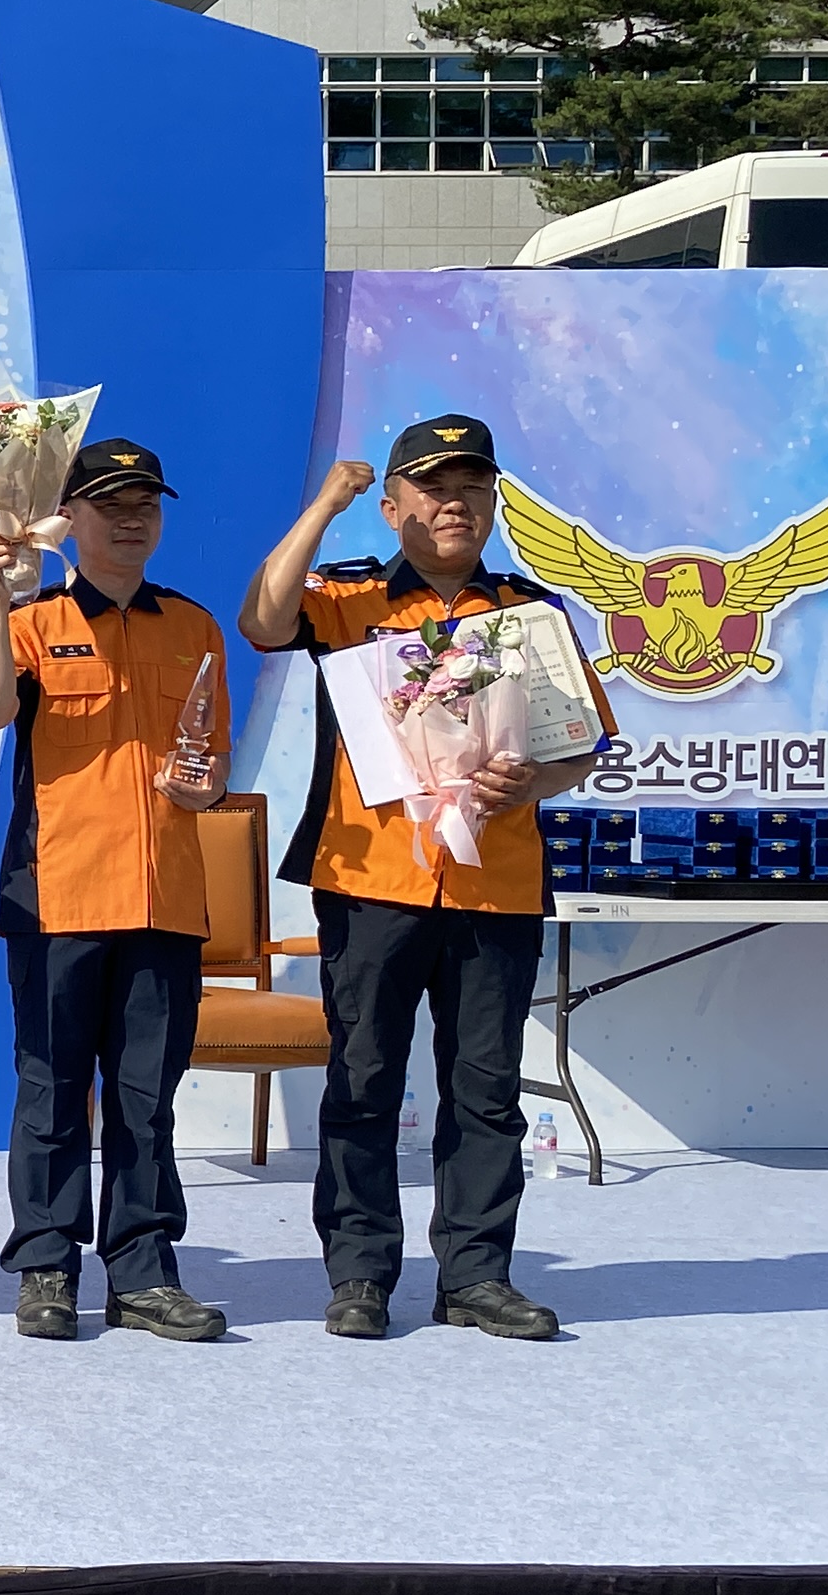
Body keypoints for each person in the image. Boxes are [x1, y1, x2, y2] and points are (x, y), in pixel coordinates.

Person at [241, 414, 612, 1340]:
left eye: (473, 489)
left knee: (486, 1088)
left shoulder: (532, 614)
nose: (455, 505)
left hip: (497, 883)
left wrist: (535, 781)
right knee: (363, 1080)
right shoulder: (349, 596)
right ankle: (360, 1274)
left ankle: (476, 1277)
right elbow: (263, 621)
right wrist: (323, 507)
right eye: (435, 488)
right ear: (394, 505)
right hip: (372, 877)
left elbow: (582, 745)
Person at [0, 436, 232, 1344]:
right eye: (110, 504)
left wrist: (202, 786)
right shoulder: (33, 622)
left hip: (165, 901)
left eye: (145, 504)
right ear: (67, 519)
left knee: (147, 1100)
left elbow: (212, 766)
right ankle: (45, 1265)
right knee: (51, 1090)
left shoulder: (194, 627)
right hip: (59, 895)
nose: (130, 520)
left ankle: (144, 1273)